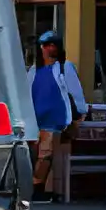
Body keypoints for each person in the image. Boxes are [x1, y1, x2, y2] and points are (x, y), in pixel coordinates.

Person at [30, 33, 80, 199]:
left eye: (54, 45)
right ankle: (35, 186)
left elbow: (76, 93)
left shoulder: (65, 68)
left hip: (54, 121)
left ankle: (39, 188)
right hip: (34, 122)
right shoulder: (34, 70)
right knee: (33, 156)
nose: (50, 48)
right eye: (46, 45)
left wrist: (78, 118)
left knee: (45, 156)